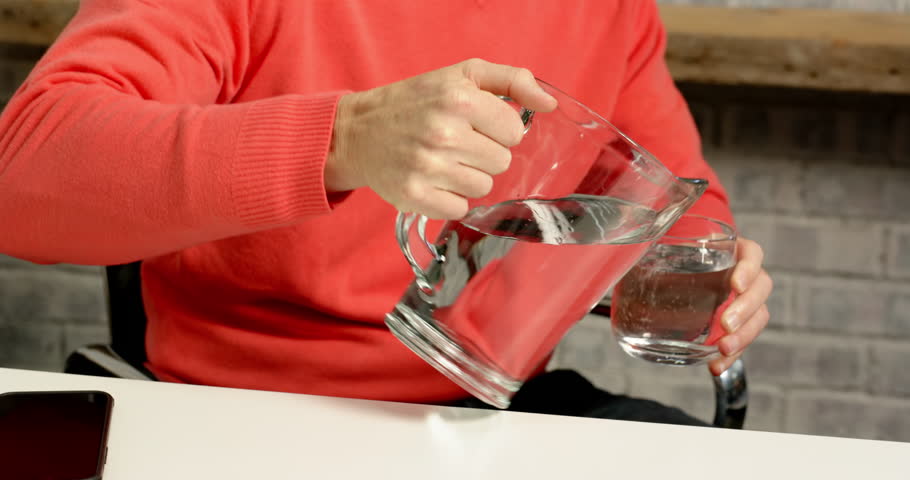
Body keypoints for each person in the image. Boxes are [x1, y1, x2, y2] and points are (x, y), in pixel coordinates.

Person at [0, 0, 772, 424]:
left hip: (491, 407)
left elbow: (681, 216)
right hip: (241, 412)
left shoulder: (610, 9)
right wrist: (344, 137)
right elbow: (22, 177)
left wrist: (703, 288)